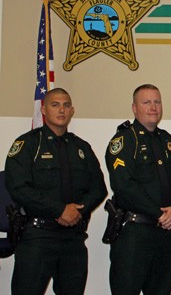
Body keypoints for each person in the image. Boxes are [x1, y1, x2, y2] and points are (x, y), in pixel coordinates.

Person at [5, 88, 107, 294]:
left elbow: (98, 188)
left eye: (66, 105)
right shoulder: (27, 144)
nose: (62, 110)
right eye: (55, 105)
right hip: (38, 237)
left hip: (73, 239)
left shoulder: (81, 148)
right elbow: (18, 187)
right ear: (43, 109)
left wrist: (78, 210)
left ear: (72, 111)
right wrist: (59, 210)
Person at [105, 84, 171, 295]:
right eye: (147, 102)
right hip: (133, 234)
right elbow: (124, 186)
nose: (153, 107)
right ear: (134, 108)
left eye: (157, 102)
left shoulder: (170, 142)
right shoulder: (123, 141)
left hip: (163, 234)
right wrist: (159, 213)